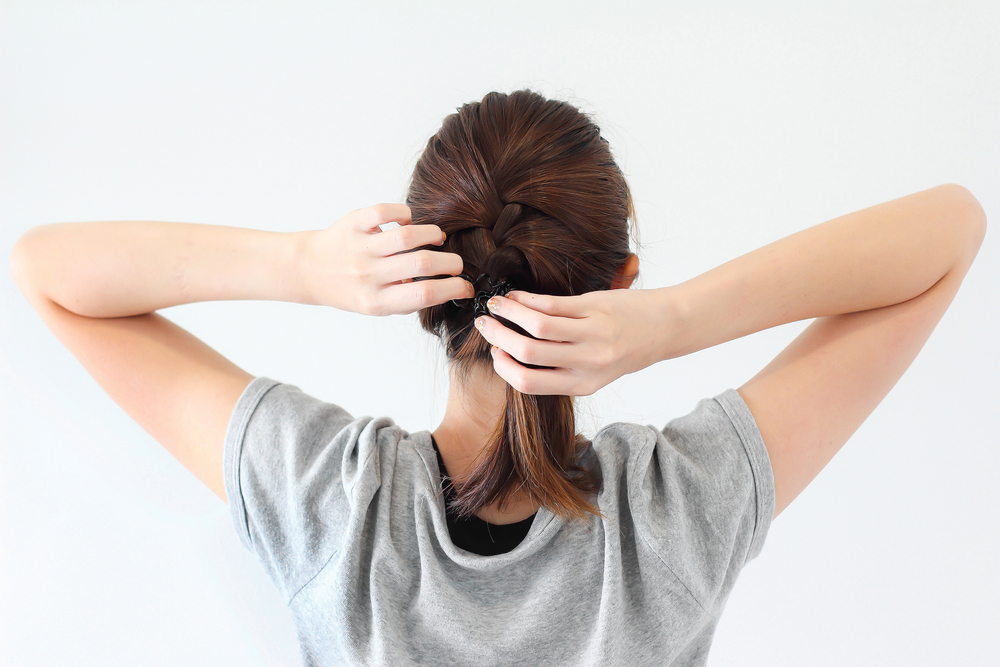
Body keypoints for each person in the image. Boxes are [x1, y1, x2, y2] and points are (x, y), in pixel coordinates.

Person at [9, 89, 986, 666]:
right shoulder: (677, 507)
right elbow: (950, 229)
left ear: (427, 292)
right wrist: (675, 321)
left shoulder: (325, 496)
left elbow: (50, 272)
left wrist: (300, 264)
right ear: (617, 281)